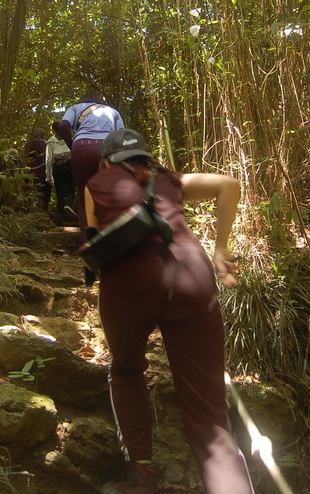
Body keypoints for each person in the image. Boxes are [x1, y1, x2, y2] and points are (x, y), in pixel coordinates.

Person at [84, 128, 255, 494]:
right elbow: (228, 184)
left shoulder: (95, 183)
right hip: (193, 275)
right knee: (210, 414)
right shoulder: (171, 178)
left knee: (126, 369)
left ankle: (140, 474)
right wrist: (220, 248)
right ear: (146, 158)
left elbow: (93, 244)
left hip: (129, 284)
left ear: (105, 161)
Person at [59, 92, 124, 238]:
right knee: (109, 196)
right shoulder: (112, 111)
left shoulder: (75, 108)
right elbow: (121, 134)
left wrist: (72, 146)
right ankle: (111, 239)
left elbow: (63, 125)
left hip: (82, 148)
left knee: (84, 198)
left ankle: (88, 244)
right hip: (107, 149)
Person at [46, 121, 77, 224]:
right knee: (71, 190)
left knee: (60, 193)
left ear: (53, 130)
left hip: (58, 168)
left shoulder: (51, 141)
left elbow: (49, 158)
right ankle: (68, 205)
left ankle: (60, 218)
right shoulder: (70, 139)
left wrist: (48, 175)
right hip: (70, 166)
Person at [25, 128, 51, 211]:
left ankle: (37, 210)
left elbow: (28, 160)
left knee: (37, 189)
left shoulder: (32, 143)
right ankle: (44, 210)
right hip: (48, 171)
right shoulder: (48, 143)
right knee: (46, 190)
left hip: (36, 171)